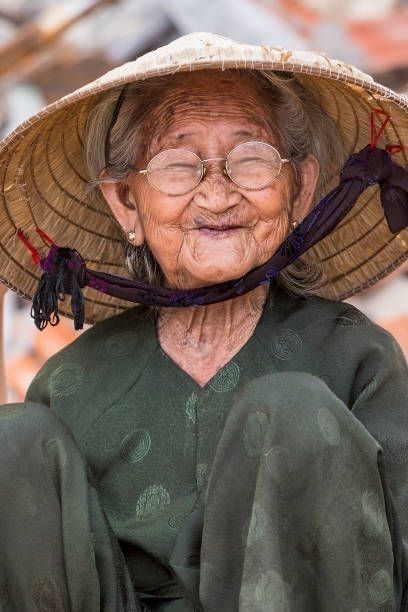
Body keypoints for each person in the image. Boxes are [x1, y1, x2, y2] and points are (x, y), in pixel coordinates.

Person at [0, 32, 407, 611]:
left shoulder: (355, 358)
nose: (216, 195)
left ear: (301, 187)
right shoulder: (72, 385)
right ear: (126, 203)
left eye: (251, 159)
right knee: (11, 441)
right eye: (177, 165)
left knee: (294, 410)